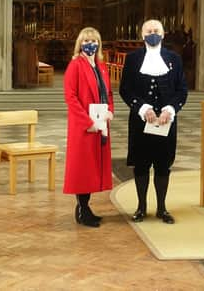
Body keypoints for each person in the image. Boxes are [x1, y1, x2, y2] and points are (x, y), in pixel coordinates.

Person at [119, 19, 188, 224]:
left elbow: (181, 90)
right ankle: (141, 208)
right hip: (141, 121)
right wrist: (142, 107)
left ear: (163, 34)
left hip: (166, 122)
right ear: (142, 35)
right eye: (148, 31)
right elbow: (125, 89)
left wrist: (170, 109)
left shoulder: (174, 59)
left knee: (163, 165)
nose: (152, 33)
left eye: (156, 30)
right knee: (141, 165)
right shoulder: (132, 59)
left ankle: (162, 208)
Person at [63, 27, 114, 228]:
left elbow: (108, 93)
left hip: (100, 122)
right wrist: (88, 122)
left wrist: (110, 110)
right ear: (80, 44)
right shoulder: (75, 65)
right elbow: (71, 97)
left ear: (99, 44)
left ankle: (86, 207)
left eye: (93, 40)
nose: (90, 44)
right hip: (84, 126)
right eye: (86, 41)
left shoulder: (101, 66)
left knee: (93, 167)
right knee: (83, 169)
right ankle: (82, 209)